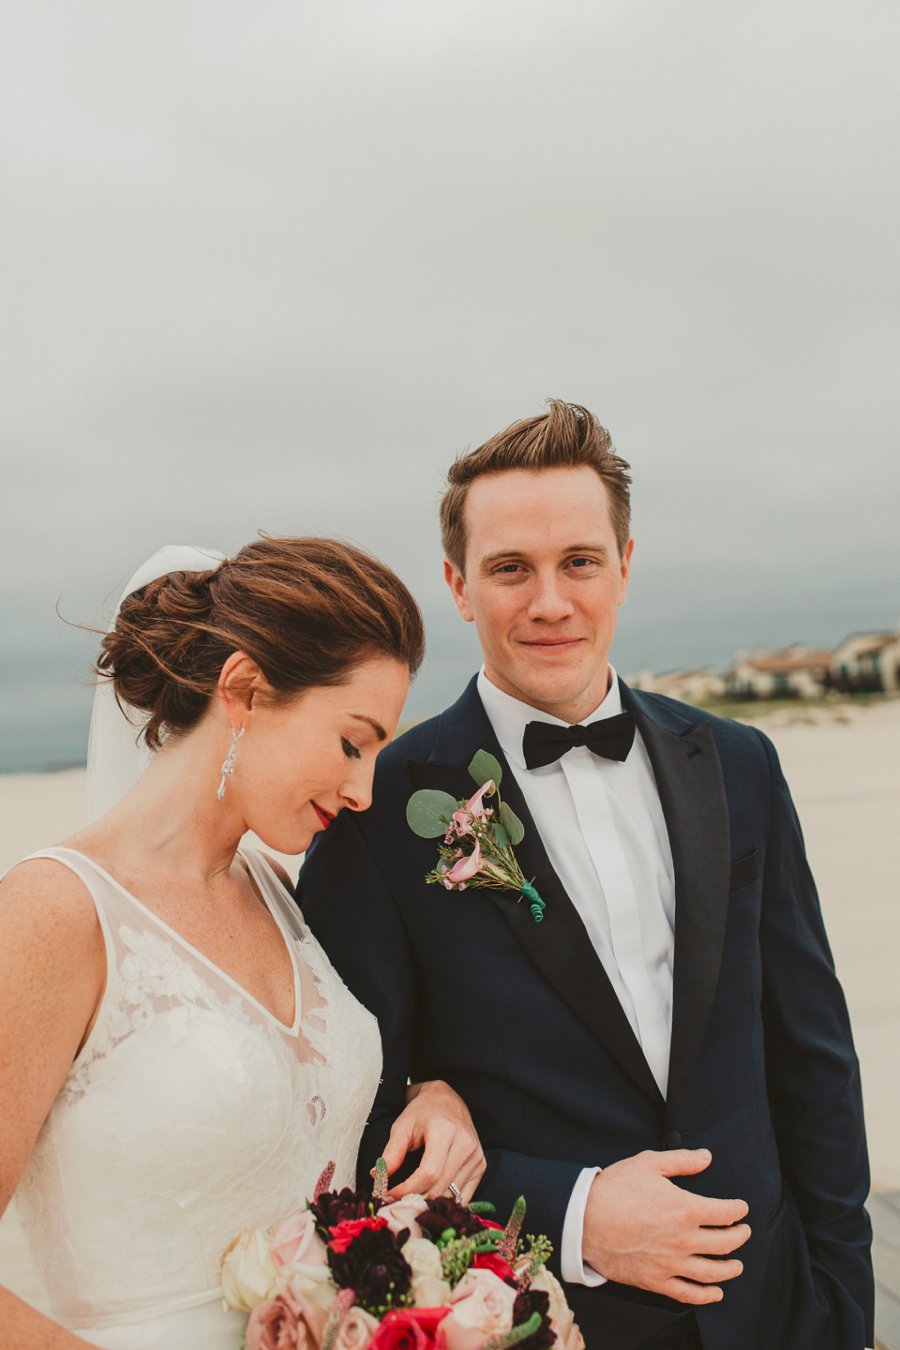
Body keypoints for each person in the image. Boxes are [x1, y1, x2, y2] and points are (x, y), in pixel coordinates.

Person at [298, 403, 874, 1350]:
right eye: (510, 569)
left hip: (777, 1310)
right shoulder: (381, 806)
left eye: (579, 561)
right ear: (458, 585)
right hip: (545, 1318)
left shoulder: (740, 766)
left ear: (625, 565)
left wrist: (844, 1305)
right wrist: (572, 1213)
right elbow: (344, 1113)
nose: (550, 602)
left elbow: (813, 1056)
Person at [0, 537, 486, 1350]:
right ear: (244, 689)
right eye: (350, 742)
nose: (365, 791)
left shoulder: (279, 894)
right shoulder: (54, 912)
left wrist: (430, 1094)